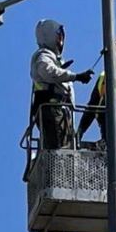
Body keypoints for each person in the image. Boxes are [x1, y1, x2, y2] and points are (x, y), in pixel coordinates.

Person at [30, 19, 94, 149]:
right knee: (59, 148)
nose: (61, 39)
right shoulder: (44, 55)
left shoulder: (53, 58)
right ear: (48, 35)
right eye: (58, 35)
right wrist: (76, 76)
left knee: (64, 146)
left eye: (62, 36)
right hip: (52, 109)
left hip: (59, 110)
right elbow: (48, 71)